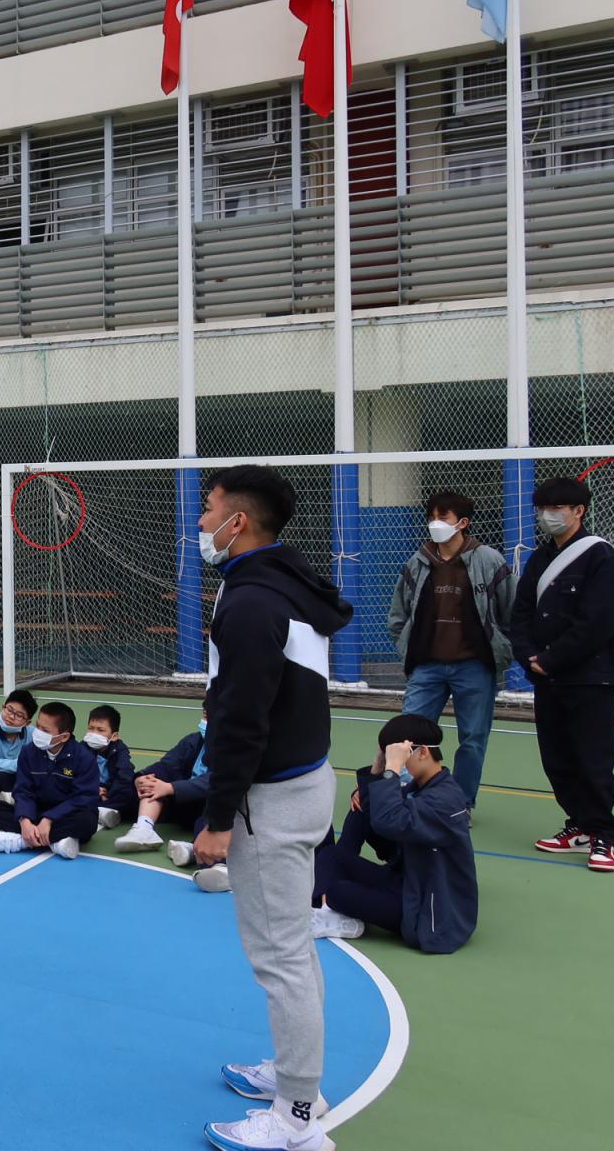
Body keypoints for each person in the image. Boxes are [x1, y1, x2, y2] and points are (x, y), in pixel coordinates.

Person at [191, 465, 352, 1151]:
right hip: (306, 781)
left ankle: (296, 1118)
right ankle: (295, 1075)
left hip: (272, 801)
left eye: (209, 509)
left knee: (280, 957)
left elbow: (242, 720)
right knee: (293, 948)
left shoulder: (253, 602)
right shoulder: (284, 581)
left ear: (239, 521)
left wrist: (218, 819)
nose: (201, 522)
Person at [511, 475, 614, 873]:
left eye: (556, 508)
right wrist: (528, 656)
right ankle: (577, 825)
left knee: (592, 758)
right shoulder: (540, 557)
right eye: (543, 508)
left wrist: (551, 658)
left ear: (579, 511)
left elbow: (599, 622)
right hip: (547, 679)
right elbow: (521, 612)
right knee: (556, 758)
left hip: (589, 677)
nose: (548, 515)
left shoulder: (600, 557)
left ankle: (602, 835)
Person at [385, 488, 516, 810]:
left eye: (443, 517)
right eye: (431, 517)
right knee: (409, 734)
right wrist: (407, 648)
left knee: (472, 740)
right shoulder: (417, 562)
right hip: (426, 665)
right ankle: (409, 796)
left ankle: (461, 803)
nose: (435, 523)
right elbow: (399, 614)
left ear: (463, 522)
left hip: (474, 666)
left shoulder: (489, 560)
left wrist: (502, 647)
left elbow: (510, 611)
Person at [310, 715, 478, 955]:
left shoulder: (446, 800)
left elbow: (389, 821)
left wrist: (391, 770)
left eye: (401, 755)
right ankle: (329, 907)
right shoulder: (421, 787)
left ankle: (331, 901)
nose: (397, 763)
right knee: (331, 855)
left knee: (339, 890)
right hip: (407, 883)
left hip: (427, 910)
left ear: (422, 752)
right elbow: (375, 812)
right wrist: (378, 766)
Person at [117, 710, 230, 893]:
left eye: (212, 716)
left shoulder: (234, 747)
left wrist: (171, 788)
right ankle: (144, 829)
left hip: (211, 805)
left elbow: (220, 780)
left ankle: (220, 867)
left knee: (212, 818)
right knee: (150, 782)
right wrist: (142, 778)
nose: (206, 721)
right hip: (186, 802)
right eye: (205, 715)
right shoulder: (194, 741)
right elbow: (167, 764)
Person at [0, 701, 98, 859]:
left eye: (45, 730)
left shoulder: (84, 758)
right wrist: (25, 820)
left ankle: (21, 841)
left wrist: (49, 819)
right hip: (36, 810)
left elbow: (83, 798)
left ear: (64, 736)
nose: (38, 732)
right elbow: (22, 790)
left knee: (87, 822)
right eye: (38, 726)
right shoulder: (28, 752)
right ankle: (55, 842)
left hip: (66, 814)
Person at [82, 703, 135, 831]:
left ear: (114, 736)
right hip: (92, 789)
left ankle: (101, 809)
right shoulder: (82, 747)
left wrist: (109, 793)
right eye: (91, 728)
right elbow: (74, 773)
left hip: (111, 791)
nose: (94, 734)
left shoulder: (120, 750)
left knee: (131, 794)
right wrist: (93, 788)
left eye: (100, 730)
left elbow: (125, 775)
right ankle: (103, 811)